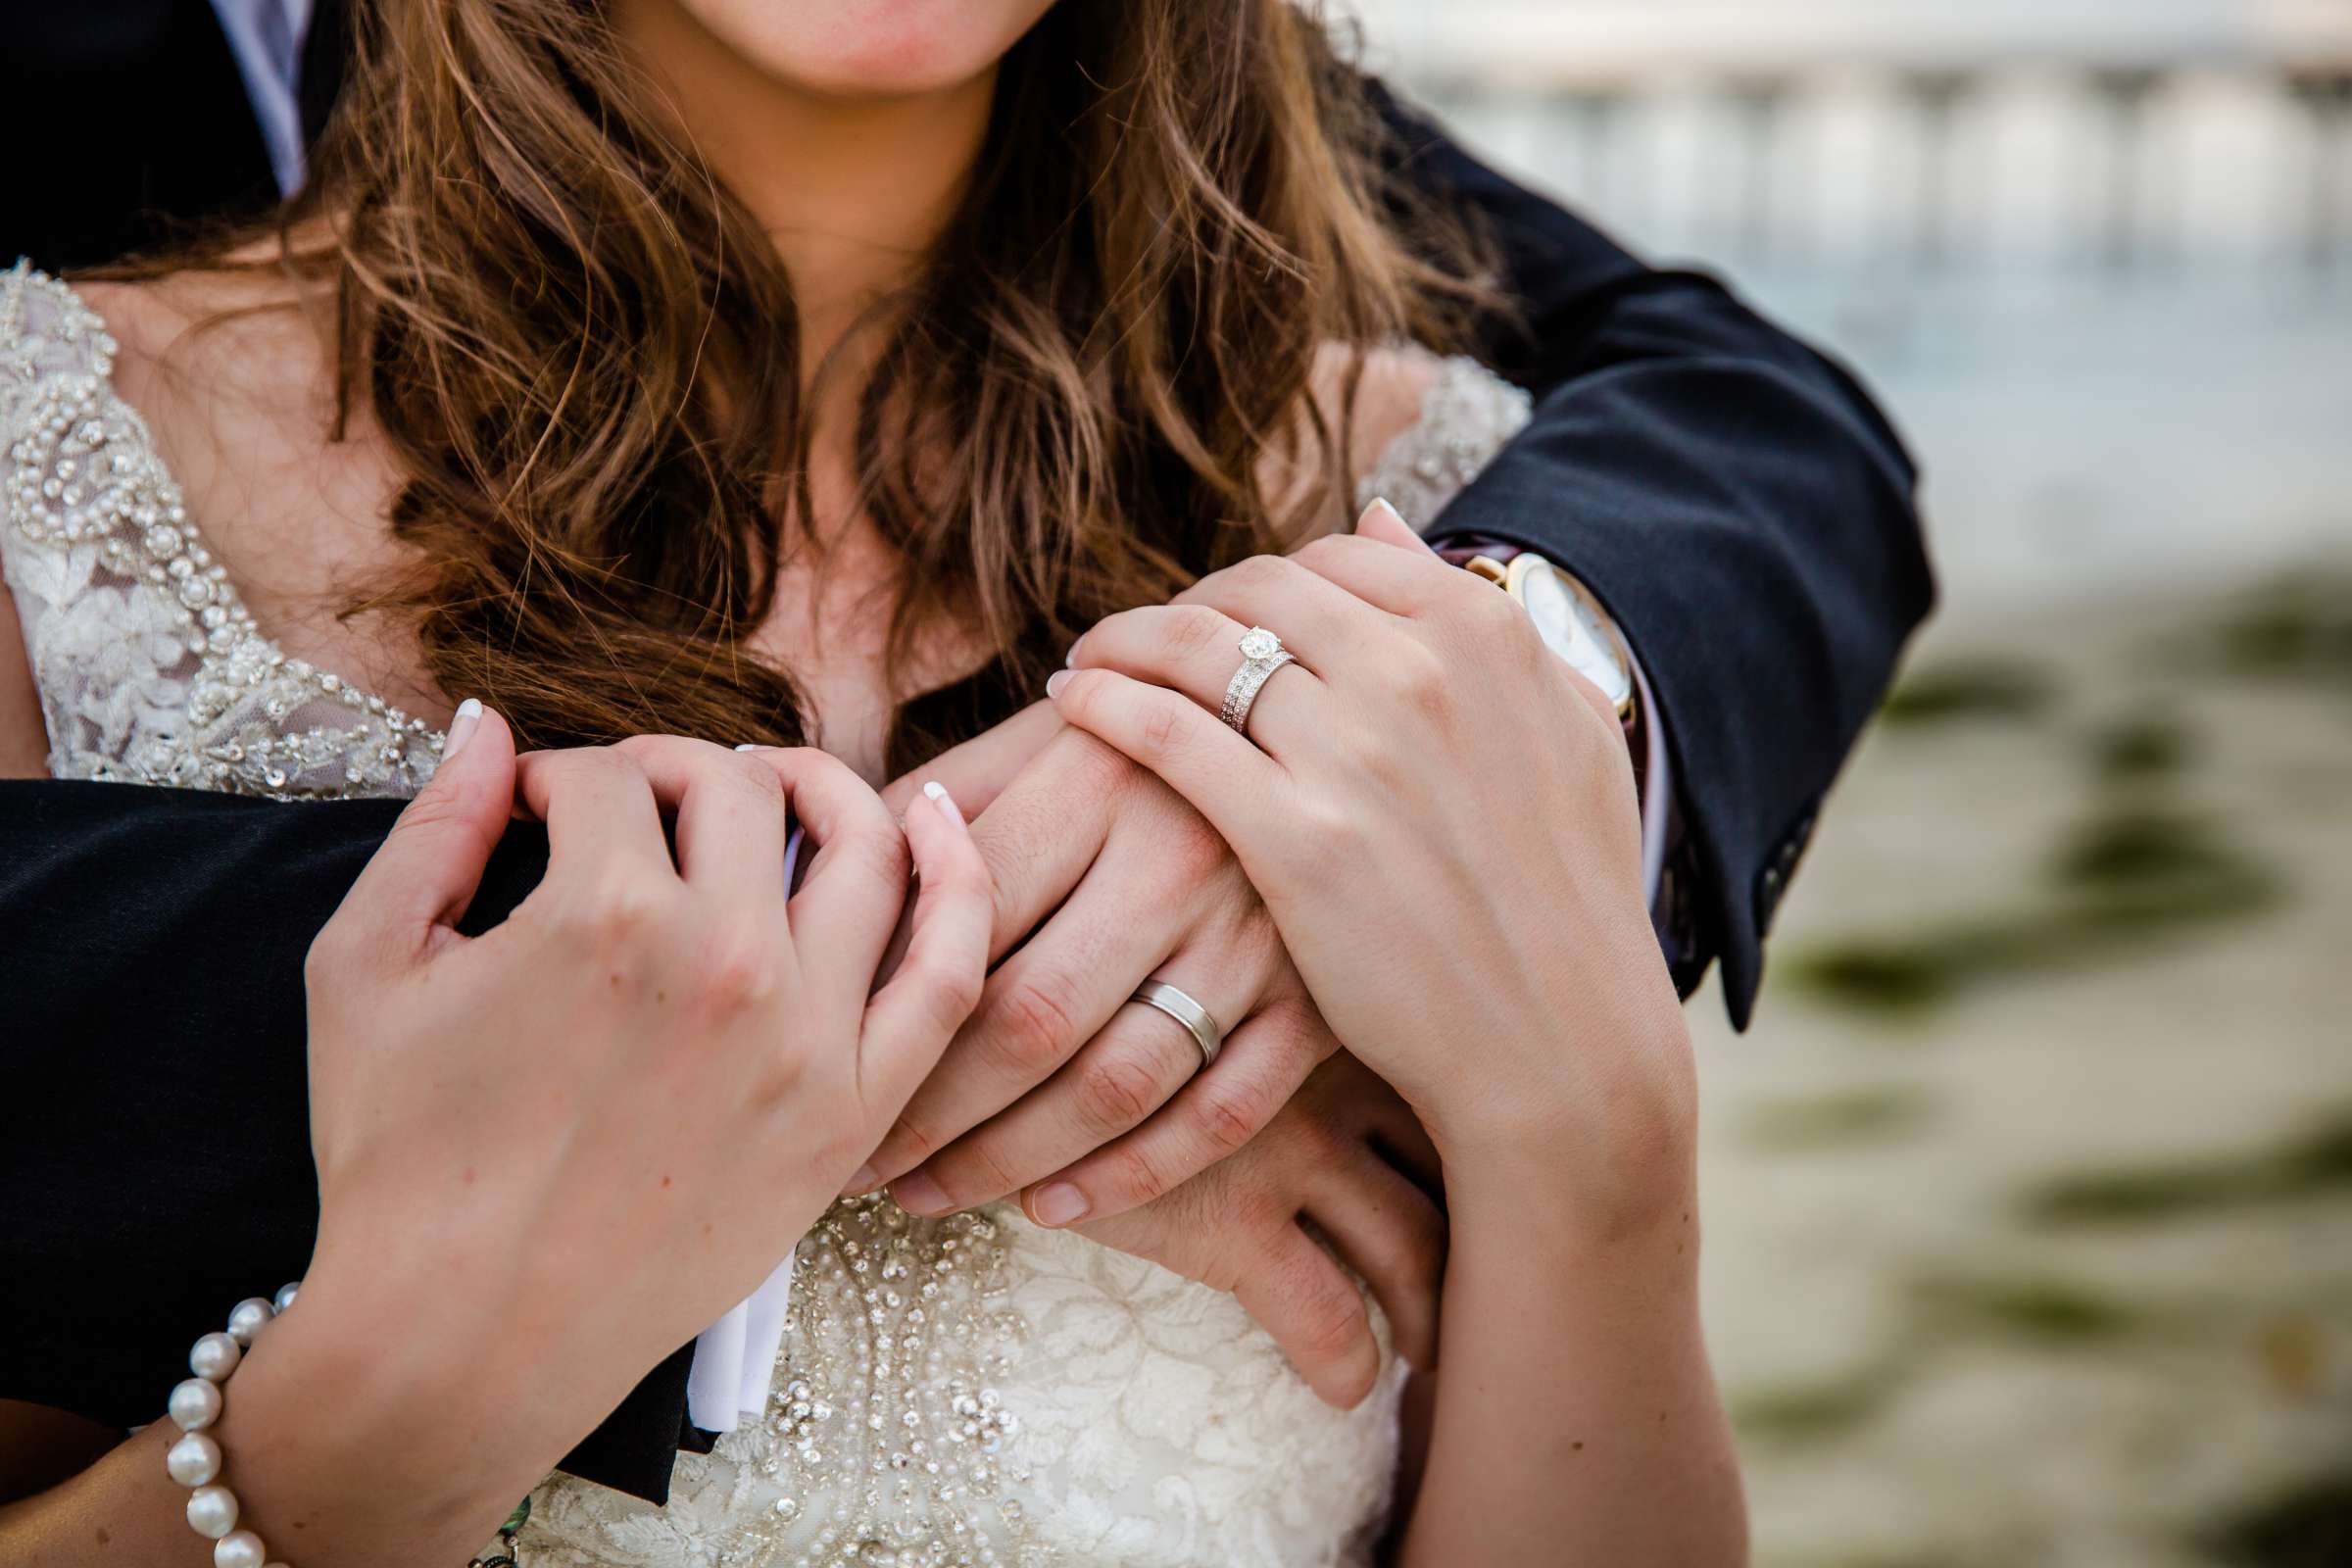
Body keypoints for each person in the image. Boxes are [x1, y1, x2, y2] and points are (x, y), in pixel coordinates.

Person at [0, 0, 1930, 1562]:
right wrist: (360, 1433)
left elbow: (1765, 414)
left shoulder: (1450, 550)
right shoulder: (56, 487)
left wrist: (1596, 1136)